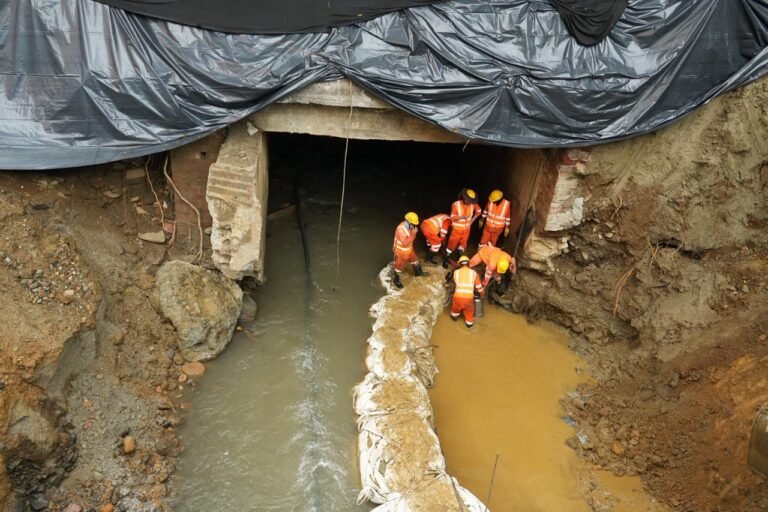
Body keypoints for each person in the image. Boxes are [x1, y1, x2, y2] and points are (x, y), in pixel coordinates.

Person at [444, 188, 481, 268]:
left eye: (471, 201)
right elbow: (452, 217)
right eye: (469, 201)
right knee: (451, 246)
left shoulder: (473, 203)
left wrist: (472, 220)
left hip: (466, 230)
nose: (470, 203)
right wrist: (461, 217)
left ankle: (460, 261)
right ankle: (446, 260)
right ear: (464, 199)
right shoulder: (456, 204)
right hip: (456, 230)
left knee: (462, 246)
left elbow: (479, 211)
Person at [392, 212, 427, 289]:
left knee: (415, 260)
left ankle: (418, 273)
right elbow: (405, 243)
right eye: (413, 223)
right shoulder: (401, 230)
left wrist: (413, 232)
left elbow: (409, 240)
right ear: (408, 221)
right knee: (399, 265)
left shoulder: (409, 225)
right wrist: (414, 234)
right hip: (401, 250)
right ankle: (396, 279)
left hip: (409, 249)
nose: (414, 225)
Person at [450, 256, 484, 328]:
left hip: (457, 297)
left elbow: (456, 282)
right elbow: (478, 287)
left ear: (460, 264)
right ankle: (469, 324)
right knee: (469, 312)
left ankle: (454, 317)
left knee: (455, 309)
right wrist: (482, 293)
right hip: (468, 299)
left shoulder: (456, 272)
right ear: (468, 263)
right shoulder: (474, 273)